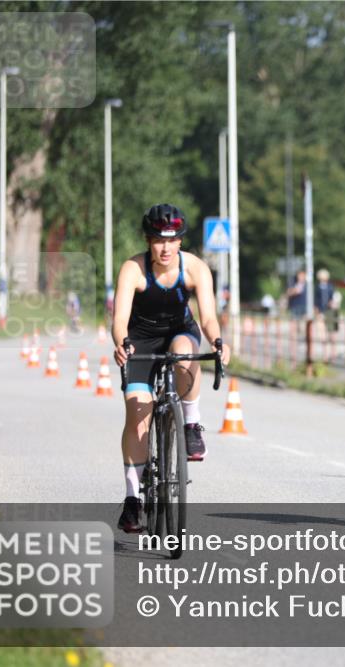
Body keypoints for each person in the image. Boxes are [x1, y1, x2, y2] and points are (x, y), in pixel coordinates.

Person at [111, 204, 230, 533]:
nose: (165, 248)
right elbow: (119, 319)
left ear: (180, 241)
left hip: (180, 331)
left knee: (184, 353)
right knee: (138, 416)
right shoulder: (133, 269)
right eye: (158, 241)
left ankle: (191, 423)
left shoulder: (195, 268)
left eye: (172, 240)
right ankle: (133, 500)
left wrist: (219, 341)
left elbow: (207, 317)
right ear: (149, 241)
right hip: (141, 339)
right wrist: (123, 342)